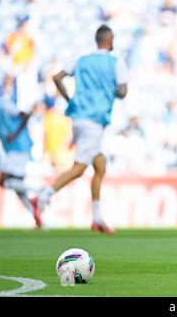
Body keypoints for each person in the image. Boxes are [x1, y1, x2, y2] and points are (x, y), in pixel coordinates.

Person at [34, 25, 128, 234]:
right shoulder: (116, 62)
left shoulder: (82, 59)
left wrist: (69, 98)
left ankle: (96, 218)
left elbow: (57, 77)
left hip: (77, 117)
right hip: (94, 120)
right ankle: (42, 196)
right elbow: (122, 91)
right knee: (79, 168)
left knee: (100, 165)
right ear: (110, 40)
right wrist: (114, 89)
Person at [0, 75, 41, 227]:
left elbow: (25, 115)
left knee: (5, 181)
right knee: (17, 187)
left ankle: (41, 190)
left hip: (19, 147)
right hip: (10, 151)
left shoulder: (4, 104)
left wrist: (15, 134)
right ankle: (39, 220)